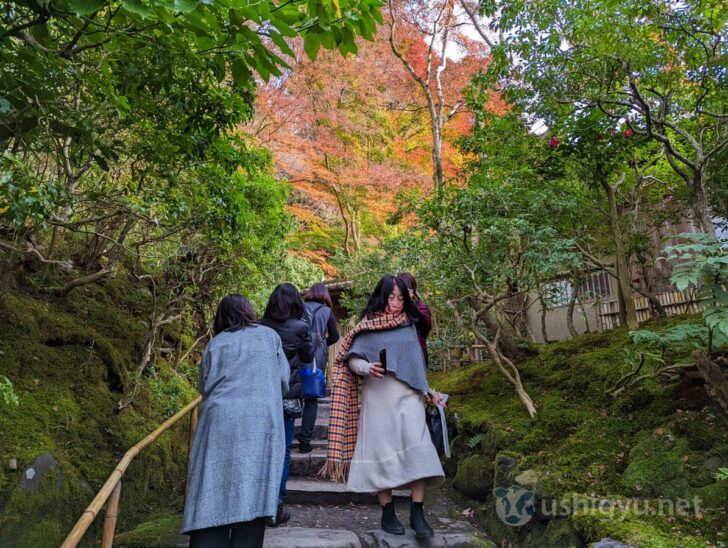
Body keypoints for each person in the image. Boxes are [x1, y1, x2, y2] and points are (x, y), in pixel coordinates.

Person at [321, 275, 446, 539]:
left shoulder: (409, 324)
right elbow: (351, 360)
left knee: (419, 449)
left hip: (408, 396)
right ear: (382, 296)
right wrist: (367, 367)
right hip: (377, 398)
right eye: (391, 297)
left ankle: (417, 512)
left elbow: (415, 365)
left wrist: (429, 392)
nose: (396, 303)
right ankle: (387, 511)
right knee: (380, 454)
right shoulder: (367, 326)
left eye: (401, 298)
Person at [182, 295, 290, 548]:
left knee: (211, 484)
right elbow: (283, 380)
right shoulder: (269, 336)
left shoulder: (215, 344)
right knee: (254, 485)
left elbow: (205, 386)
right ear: (249, 312)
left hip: (219, 419)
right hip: (261, 422)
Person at [260, 283, 314, 526]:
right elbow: (307, 357)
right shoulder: (300, 327)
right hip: (287, 396)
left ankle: (256, 503)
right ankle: (276, 506)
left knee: (260, 451)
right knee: (282, 452)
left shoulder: (259, 326)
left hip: (260, 396)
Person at [298, 283, 340, 453]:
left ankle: (287, 436)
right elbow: (335, 336)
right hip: (316, 359)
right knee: (311, 399)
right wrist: (323, 343)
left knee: (292, 394)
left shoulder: (299, 307)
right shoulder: (327, 312)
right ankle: (304, 442)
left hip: (297, 355)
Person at [396, 272, 432, 365]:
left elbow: (425, 328)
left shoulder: (421, 307)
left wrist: (410, 303)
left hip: (418, 352)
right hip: (397, 352)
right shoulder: (392, 306)